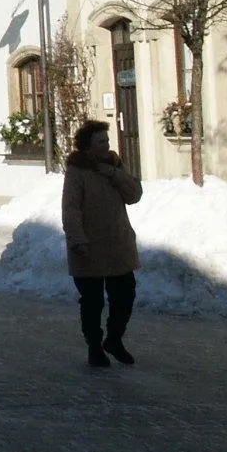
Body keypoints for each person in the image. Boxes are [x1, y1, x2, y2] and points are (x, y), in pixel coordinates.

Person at [62, 119, 143, 368]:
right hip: (89, 246)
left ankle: (114, 339)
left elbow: (134, 195)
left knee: (125, 294)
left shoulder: (114, 165)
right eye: (100, 141)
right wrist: (77, 239)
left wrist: (114, 174)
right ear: (88, 145)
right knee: (93, 301)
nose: (106, 145)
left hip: (117, 243)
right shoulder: (77, 170)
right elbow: (71, 208)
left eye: (107, 140)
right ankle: (95, 347)